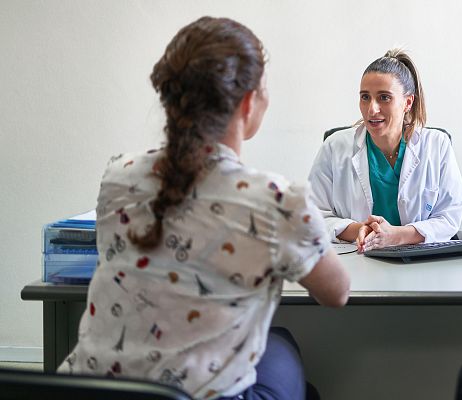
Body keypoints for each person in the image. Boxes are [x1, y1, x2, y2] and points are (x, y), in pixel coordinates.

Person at [57, 17, 350, 400]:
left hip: (87, 391)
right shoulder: (277, 201)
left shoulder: (118, 174)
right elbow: (337, 292)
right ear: (248, 102)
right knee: (283, 350)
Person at [308, 49, 462, 252]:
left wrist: (396, 236)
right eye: (365, 97)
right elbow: (313, 215)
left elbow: (449, 216)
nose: (372, 109)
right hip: (356, 258)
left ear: (408, 102)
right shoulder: (334, 147)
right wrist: (360, 230)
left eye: (384, 97)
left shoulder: (437, 145)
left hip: (419, 262)